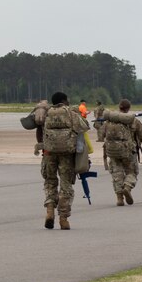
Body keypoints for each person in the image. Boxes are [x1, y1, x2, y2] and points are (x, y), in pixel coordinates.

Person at [34, 91, 88, 230]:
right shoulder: (70, 113)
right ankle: (63, 219)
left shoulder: (45, 113)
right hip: (66, 156)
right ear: (64, 101)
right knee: (66, 187)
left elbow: (38, 131)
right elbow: (84, 127)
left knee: (50, 183)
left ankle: (50, 211)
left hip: (49, 154)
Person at [99, 99, 142, 206]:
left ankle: (119, 198)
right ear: (128, 108)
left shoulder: (109, 120)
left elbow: (101, 134)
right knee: (132, 172)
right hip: (128, 151)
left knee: (117, 174)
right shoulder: (133, 120)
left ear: (119, 107)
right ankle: (127, 187)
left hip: (112, 151)